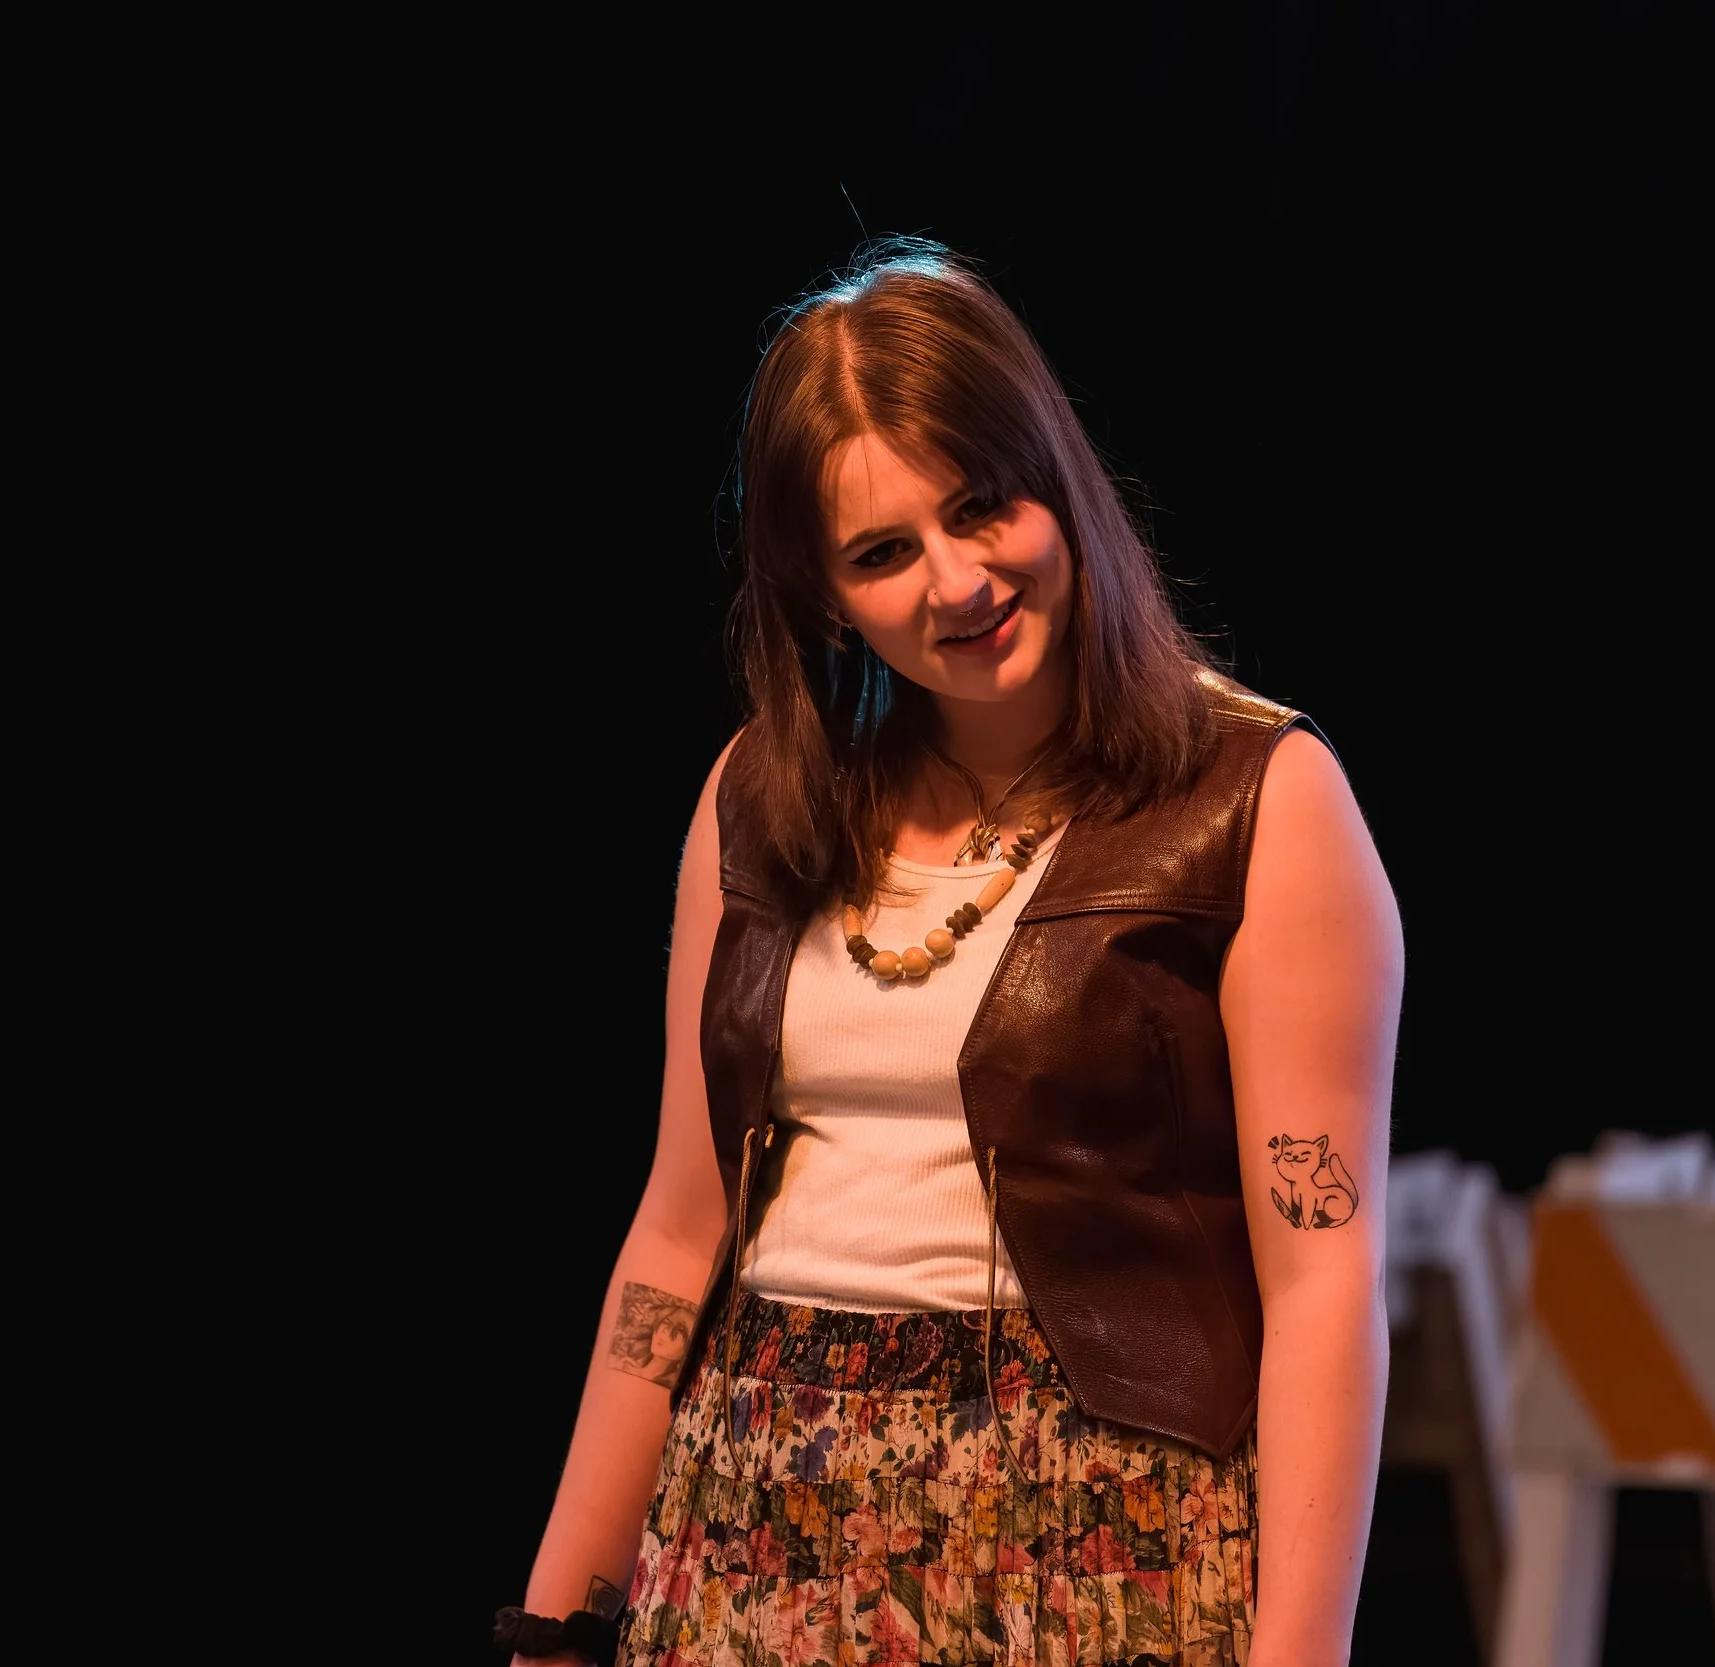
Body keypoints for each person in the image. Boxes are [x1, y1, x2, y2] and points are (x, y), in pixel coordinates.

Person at [497, 238, 1403, 1667]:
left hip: (1091, 1541)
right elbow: (677, 1233)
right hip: (747, 1536)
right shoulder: (758, 798)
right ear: (824, 593)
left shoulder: (1257, 799)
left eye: (985, 506)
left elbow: (1323, 1288)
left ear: (1060, 479)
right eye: (883, 552)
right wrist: (553, 1625)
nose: (958, 579)